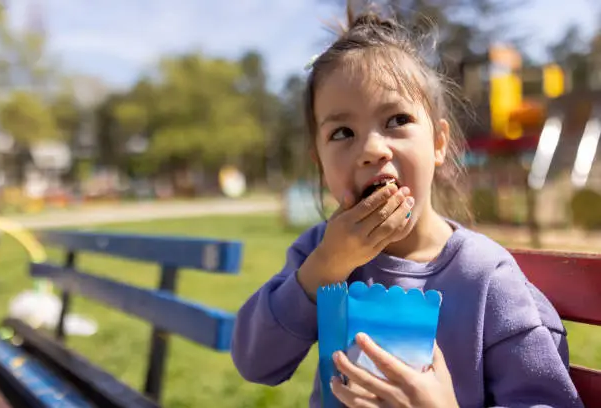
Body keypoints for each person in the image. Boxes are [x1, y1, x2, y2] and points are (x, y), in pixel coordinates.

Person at [230, 3, 584, 408]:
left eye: (396, 120)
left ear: (438, 142)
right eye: (342, 132)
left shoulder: (488, 279)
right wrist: (323, 269)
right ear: (320, 162)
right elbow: (254, 363)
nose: (372, 149)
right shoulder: (318, 254)